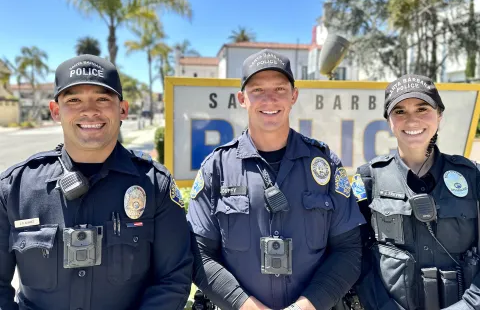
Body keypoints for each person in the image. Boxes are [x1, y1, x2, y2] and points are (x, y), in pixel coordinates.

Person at [0, 54, 192, 310]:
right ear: (56, 111)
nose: (89, 110)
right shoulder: (15, 188)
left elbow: (173, 278)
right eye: (74, 99)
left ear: (122, 109)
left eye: (102, 98)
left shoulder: (154, 186)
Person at [187, 49, 365, 310]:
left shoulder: (325, 163)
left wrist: (305, 306)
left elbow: (348, 250)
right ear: (242, 98)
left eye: (280, 89)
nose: (269, 100)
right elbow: (199, 254)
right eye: (257, 90)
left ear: (294, 96)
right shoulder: (217, 167)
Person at [354, 74, 480, 310]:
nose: (411, 121)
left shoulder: (473, 177)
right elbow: (356, 255)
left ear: (439, 116)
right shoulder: (368, 178)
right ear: (389, 121)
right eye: (399, 111)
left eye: (422, 109)